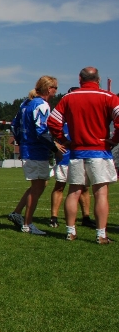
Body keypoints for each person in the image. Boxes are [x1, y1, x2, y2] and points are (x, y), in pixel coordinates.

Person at [47, 67, 119, 244]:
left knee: (73, 192)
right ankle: (101, 235)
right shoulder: (108, 97)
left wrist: (64, 139)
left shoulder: (68, 98)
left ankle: (70, 232)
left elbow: (53, 121)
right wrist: (114, 140)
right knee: (100, 193)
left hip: (77, 151)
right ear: (98, 80)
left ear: (80, 79)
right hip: (100, 150)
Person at [6, 76, 60, 235]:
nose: (56, 91)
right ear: (49, 89)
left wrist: (22, 142)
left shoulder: (26, 103)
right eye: (55, 88)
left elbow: (14, 126)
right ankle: (27, 224)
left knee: (39, 185)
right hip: (36, 151)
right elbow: (41, 131)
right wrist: (55, 148)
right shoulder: (42, 105)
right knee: (38, 187)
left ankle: (17, 214)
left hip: (29, 149)